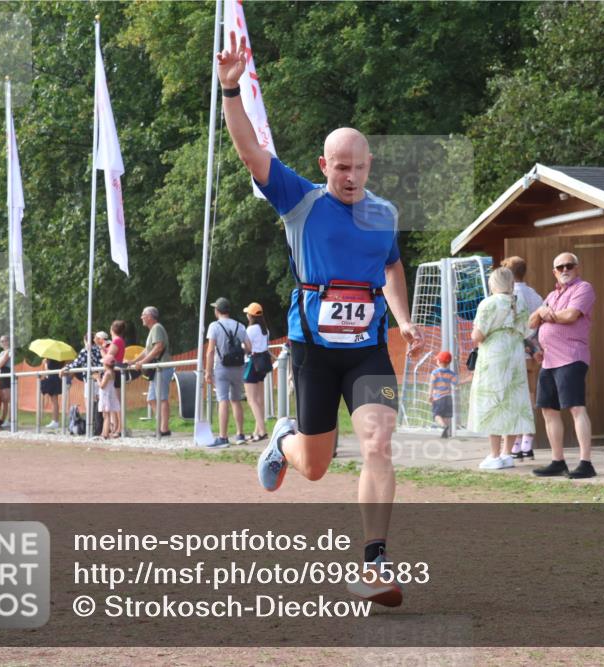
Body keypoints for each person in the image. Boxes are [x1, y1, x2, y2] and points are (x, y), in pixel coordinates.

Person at [217, 32, 421, 607]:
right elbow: (251, 153)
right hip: (311, 351)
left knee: (380, 442)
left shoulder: (384, 213)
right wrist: (232, 89)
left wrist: (402, 318)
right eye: (340, 167)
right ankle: (284, 439)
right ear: (323, 165)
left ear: (369, 165)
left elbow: (392, 268)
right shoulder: (298, 199)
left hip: (367, 349)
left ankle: (374, 560)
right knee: (312, 467)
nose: (349, 176)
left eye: (358, 167)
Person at [528, 252, 597, 479]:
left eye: (569, 265)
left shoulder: (583, 288)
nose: (565, 270)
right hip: (549, 360)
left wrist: (547, 314)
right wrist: (539, 311)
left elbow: (570, 315)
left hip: (571, 357)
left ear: (577, 268)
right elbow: (531, 323)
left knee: (576, 408)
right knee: (548, 410)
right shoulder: (550, 294)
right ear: (554, 272)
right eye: (560, 267)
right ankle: (558, 461)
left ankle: (586, 463)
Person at [468, 268, 535, 470]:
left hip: (493, 356)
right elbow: (527, 331)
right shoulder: (519, 303)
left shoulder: (488, 303)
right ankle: (507, 454)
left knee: (493, 400)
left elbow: (477, 335)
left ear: (493, 284)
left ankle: (494, 455)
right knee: (512, 400)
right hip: (515, 355)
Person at [501, 255, 543, 460]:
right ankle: (527, 441)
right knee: (530, 395)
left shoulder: (508, 296)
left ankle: (515, 441)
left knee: (513, 397)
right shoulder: (533, 294)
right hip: (531, 351)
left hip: (512, 350)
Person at [204, 297, 252, 447]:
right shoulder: (240, 325)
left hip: (221, 367)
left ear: (217, 310)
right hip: (239, 367)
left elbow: (211, 351)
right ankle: (240, 435)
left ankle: (223, 437)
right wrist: (238, 351)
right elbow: (249, 348)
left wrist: (207, 371)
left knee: (223, 400)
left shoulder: (214, 326)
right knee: (236, 400)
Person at [132, 306, 173, 436]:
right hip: (156, 369)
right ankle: (161, 425)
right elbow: (147, 351)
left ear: (150, 316)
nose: (141, 317)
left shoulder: (157, 328)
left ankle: (164, 429)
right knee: (151, 399)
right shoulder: (153, 330)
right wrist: (133, 362)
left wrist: (142, 363)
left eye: (143, 315)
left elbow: (158, 347)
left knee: (161, 398)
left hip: (162, 368)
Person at [242, 302, 273, 442]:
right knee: (259, 399)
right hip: (263, 363)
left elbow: (246, 346)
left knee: (251, 399)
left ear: (251, 316)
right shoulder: (265, 330)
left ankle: (262, 430)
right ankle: (257, 431)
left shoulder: (250, 330)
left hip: (252, 363)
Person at [429, 351, 457, 438]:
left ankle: (443, 426)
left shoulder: (435, 373)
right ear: (449, 363)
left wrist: (430, 395)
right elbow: (456, 383)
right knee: (446, 416)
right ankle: (446, 433)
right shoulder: (451, 373)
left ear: (439, 362)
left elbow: (432, 384)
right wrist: (468, 379)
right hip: (448, 398)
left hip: (438, 398)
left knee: (437, 415)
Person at [97, 354, 120, 439]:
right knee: (106, 415)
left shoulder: (107, 374)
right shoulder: (112, 373)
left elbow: (102, 386)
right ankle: (104, 432)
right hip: (109, 395)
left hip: (105, 396)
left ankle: (105, 434)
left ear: (106, 364)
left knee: (106, 416)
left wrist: (97, 378)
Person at [39, 357, 63, 429]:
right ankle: (55, 420)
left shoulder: (52, 359)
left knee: (54, 401)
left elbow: (48, 369)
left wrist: (46, 363)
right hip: (54, 378)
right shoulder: (58, 358)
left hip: (53, 379)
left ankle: (55, 421)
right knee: (54, 401)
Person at [0, 335, 12, 430]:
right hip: (1, 376)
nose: (3, 343)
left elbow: (0, 364)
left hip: (6, 375)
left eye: (4, 340)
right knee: (1, 399)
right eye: (1, 341)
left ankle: (8, 420)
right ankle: (1, 420)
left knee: (6, 399)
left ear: (8, 341)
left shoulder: (9, 351)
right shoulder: (2, 352)